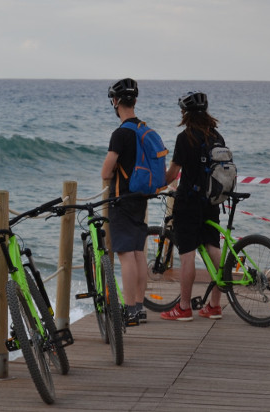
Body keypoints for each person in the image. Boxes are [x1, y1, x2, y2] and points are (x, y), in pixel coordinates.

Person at [160, 91, 224, 321]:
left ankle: (184, 307)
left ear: (186, 113)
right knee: (213, 248)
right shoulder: (216, 136)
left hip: (188, 203)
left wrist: (157, 182)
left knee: (187, 255)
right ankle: (214, 305)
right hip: (212, 202)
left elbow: (173, 173)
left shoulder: (185, 137)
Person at [100, 78, 152, 326]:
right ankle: (139, 307)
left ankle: (129, 309)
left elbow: (106, 172)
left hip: (121, 200)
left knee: (125, 255)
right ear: (136, 101)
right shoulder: (144, 129)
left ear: (116, 101)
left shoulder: (120, 134)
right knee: (138, 252)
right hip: (141, 198)